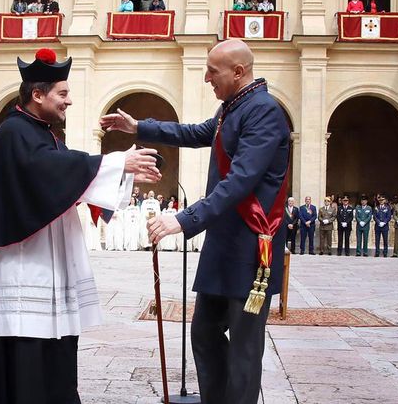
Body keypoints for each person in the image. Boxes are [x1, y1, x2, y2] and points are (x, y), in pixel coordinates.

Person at [102, 38, 289, 404]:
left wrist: (184, 220)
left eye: (212, 71)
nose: (206, 78)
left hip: (251, 248)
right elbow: (193, 133)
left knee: (244, 347)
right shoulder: (232, 109)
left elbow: (240, 181)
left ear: (239, 72)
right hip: (224, 244)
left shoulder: (264, 111)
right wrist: (138, 126)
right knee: (204, 333)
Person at [0, 47, 160, 404]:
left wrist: (125, 174)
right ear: (37, 94)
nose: (69, 101)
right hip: (26, 264)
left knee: (56, 341)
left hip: (50, 263)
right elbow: (47, 172)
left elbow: (66, 179)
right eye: (62, 94)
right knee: (27, 343)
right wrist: (116, 162)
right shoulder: (14, 132)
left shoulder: (45, 133)